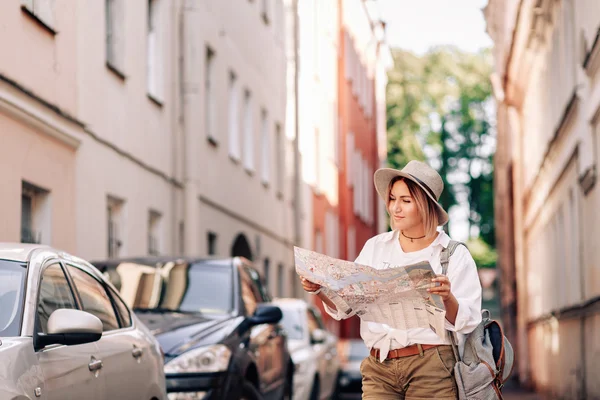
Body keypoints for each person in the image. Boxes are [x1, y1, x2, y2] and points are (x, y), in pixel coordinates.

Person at [300, 160, 482, 399]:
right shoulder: (376, 247)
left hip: (431, 365)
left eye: (406, 201)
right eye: (393, 199)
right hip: (379, 366)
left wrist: (447, 298)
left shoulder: (452, 254)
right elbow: (347, 306)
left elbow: (468, 321)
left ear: (426, 206)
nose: (395, 208)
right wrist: (320, 289)